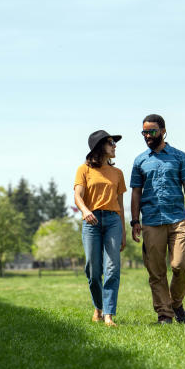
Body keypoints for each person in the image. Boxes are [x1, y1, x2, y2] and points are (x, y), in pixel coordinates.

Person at [130, 114, 185, 324]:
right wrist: (135, 221)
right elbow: (136, 192)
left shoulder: (179, 156)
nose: (147, 136)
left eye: (152, 131)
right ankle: (164, 314)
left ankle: (176, 303)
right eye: (144, 132)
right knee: (156, 272)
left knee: (181, 265)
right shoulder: (140, 161)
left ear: (163, 131)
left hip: (177, 219)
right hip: (151, 221)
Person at [74, 130, 127, 327]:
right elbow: (78, 196)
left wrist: (122, 232)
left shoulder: (118, 173)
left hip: (113, 220)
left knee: (112, 268)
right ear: (99, 147)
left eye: (114, 143)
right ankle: (98, 306)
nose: (115, 146)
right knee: (93, 270)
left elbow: (121, 205)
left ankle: (108, 315)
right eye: (111, 142)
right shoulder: (84, 170)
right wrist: (86, 211)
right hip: (92, 221)